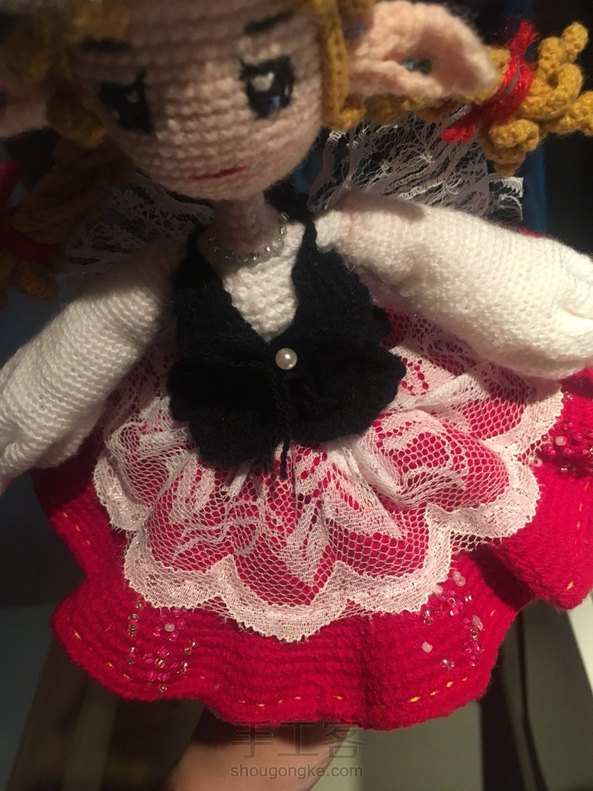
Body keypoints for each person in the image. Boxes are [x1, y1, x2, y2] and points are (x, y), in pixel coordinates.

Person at [1, 2, 593, 788]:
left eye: (266, 81)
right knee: (249, 647)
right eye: (136, 102)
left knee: (358, 616)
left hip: (375, 417)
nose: (212, 136)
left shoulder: (352, 226)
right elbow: (80, 352)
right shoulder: (162, 268)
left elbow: (445, 262)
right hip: (226, 452)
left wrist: (568, 314)